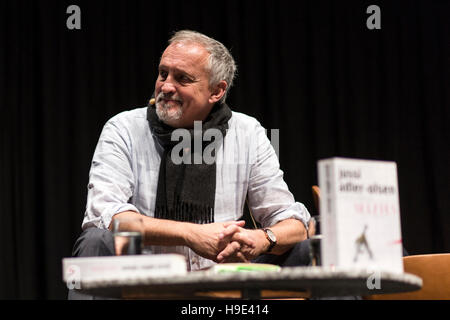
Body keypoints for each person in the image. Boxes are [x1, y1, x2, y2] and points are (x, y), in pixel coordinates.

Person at [69, 30, 312, 298]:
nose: (166, 86)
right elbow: (109, 217)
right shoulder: (124, 129)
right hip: (146, 279)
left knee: (308, 248)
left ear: (217, 91)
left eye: (182, 78)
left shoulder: (247, 131)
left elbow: (292, 221)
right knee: (95, 242)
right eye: (163, 74)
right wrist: (191, 234)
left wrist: (262, 239)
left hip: (224, 278)